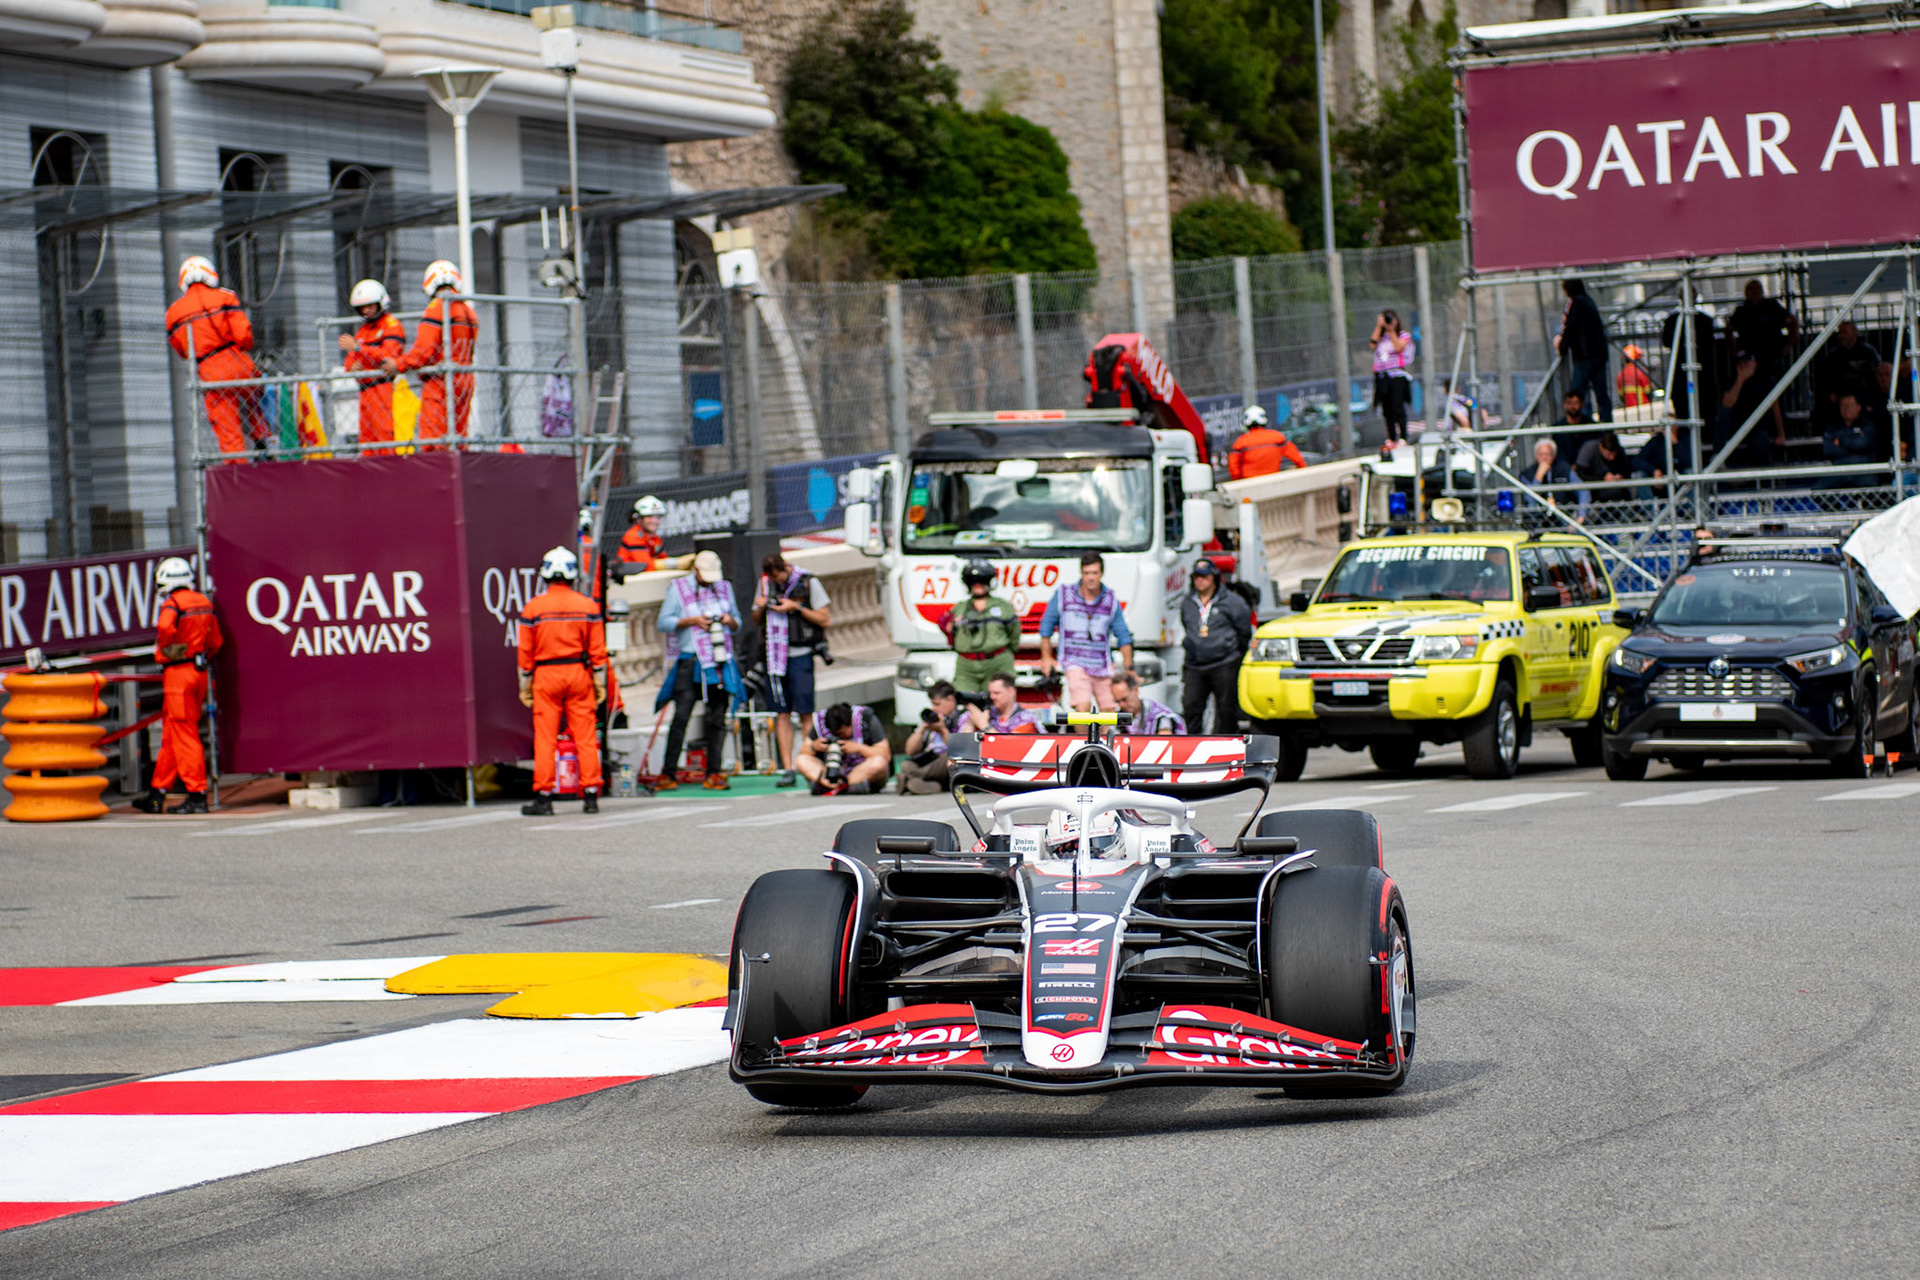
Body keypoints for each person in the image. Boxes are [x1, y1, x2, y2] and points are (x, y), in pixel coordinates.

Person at [517, 546, 607, 817]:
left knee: (545, 738)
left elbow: (525, 652)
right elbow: (598, 651)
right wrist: (599, 681)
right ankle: (591, 794)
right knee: (586, 737)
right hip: (578, 674)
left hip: (546, 676)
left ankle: (543, 797)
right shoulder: (587, 606)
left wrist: (525, 684)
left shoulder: (534, 608)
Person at [131, 557, 222, 815]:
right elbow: (215, 642)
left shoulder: (172, 604)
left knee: (184, 735)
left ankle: (196, 795)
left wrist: (166, 651)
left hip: (178, 675)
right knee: (172, 735)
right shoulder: (204, 602)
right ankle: (157, 793)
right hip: (199, 672)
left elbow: (164, 628)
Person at [653, 549, 742, 792]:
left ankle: (713, 772)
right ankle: (668, 773)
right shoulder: (678, 588)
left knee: (717, 718)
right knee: (681, 716)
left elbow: (737, 622)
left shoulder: (724, 587)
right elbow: (664, 621)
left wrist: (727, 620)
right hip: (690, 661)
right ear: (696, 570)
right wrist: (692, 621)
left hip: (719, 661)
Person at [165, 256, 264, 456]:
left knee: (227, 428)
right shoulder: (225, 297)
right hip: (236, 361)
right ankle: (262, 437)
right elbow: (244, 336)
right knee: (257, 396)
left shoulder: (174, 313)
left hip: (210, 371)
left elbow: (183, 352)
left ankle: (236, 468)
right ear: (210, 274)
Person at [754, 552, 832, 786]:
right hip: (774, 658)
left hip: (801, 655)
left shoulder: (808, 582)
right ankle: (788, 767)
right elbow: (756, 619)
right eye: (774, 580)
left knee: (805, 712)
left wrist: (795, 607)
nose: (778, 583)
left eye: (780, 578)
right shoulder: (765, 584)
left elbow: (824, 619)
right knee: (782, 714)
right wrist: (760, 606)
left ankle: (811, 762)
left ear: (786, 568)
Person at [384, 259, 476, 443]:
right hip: (464, 377)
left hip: (440, 380)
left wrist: (398, 364)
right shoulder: (467, 311)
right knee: (459, 435)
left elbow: (423, 350)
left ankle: (439, 470)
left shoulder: (437, 308)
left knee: (433, 438)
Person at [1038, 552, 1133, 712]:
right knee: (1083, 708)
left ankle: (1106, 737)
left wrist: (1129, 668)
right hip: (1074, 660)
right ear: (1081, 573)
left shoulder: (1109, 599)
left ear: (1101, 574)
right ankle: (1082, 737)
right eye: (1086, 573)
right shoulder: (1063, 594)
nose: (1090, 578)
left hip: (1101, 664)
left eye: (1094, 573)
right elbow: (1046, 626)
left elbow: (1123, 635)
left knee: (1109, 710)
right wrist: (1046, 657)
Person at [1178, 557, 1252, 734]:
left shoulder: (1232, 601)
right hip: (1195, 664)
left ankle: (1226, 746)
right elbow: (1186, 625)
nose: (1200, 580)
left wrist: (1232, 651)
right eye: (1196, 577)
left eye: (1204, 576)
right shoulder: (1187, 602)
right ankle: (1193, 748)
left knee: (1226, 709)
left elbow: (1244, 631)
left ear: (1214, 578)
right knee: (1191, 707)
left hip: (1224, 662)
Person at [337, 279, 406, 450]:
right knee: (367, 444)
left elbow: (388, 358)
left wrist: (360, 348)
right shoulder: (364, 330)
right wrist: (351, 366)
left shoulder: (392, 326)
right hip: (365, 392)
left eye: (370, 306)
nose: (365, 311)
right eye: (362, 307)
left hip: (384, 390)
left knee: (385, 438)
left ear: (380, 303)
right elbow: (351, 359)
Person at [1728, 279, 1797, 445]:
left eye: (1756, 289)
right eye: (1750, 289)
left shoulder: (1772, 306)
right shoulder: (1742, 310)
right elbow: (1728, 329)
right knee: (1747, 398)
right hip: (1749, 363)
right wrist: (1734, 352)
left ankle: (1780, 432)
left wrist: (1788, 344)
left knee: (1776, 397)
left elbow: (1792, 322)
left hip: (1770, 359)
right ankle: (1748, 433)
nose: (1753, 292)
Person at [942, 558, 1020, 693]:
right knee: (965, 702)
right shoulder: (959, 608)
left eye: (982, 582)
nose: (978, 586)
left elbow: (1014, 634)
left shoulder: (1003, 606)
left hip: (997, 662)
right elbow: (950, 633)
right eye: (974, 583)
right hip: (967, 666)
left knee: (998, 703)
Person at [796, 702, 891, 795]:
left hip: (861, 771)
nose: (839, 737)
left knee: (879, 762)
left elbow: (885, 755)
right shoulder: (820, 723)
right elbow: (803, 753)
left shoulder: (865, 718)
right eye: (835, 734)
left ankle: (846, 784)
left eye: (842, 734)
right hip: (830, 770)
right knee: (801, 760)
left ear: (850, 723)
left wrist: (859, 748)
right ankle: (829, 783)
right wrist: (814, 747)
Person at [898, 680, 970, 794]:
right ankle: (932, 785)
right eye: (932, 704)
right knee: (907, 764)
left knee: (948, 759)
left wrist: (942, 730)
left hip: (946, 761)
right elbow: (910, 751)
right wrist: (922, 729)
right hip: (930, 759)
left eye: (937, 704)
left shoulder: (963, 717)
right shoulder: (932, 718)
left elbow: (959, 750)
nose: (934, 708)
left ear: (950, 699)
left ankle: (910, 778)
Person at [1555, 278, 1611, 423]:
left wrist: (1563, 348)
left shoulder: (1576, 303)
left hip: (1584, 356)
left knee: (1578, 393)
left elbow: (1570, 328)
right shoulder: (1588, 301)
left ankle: (1584, 422)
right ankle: (1606, 424)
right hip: (1598, 354)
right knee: (1601, 393)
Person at [1370, 310, 1415, 448]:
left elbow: (1398, 347)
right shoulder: (1381, 337)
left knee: (1397, 407)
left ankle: (1403, 436)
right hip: (1383, 376)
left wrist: (1391, 331)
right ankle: (1391, 437)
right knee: (1387, 409)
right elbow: (1372, 344)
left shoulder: (1403, 336)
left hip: (1397, 376)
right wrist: (1379, 326)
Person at [1818, 321, 1883, 415]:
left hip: (1864, 399)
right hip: (1840, 401)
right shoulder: (1833, 356)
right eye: (1839, 333)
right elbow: (1825, 379)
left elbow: (1876, 377)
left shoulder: (1868, 353)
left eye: (1845, 332)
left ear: (1855, 333)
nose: (1841, 336)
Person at [616, 495, 693, 573]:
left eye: (657, 517)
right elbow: (646, 566)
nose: (654, 521)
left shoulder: (655, 538)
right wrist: (679, 563)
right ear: (639, 519)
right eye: (649, 517)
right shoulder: (633, 536)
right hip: (629, 579)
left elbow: (663, 559)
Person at [1227, 404, 1306, 479]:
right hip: (1272, 481)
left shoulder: (1240, 443)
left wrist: (1240, 483)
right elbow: (1297, 458)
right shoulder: (1277, 438)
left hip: (1249, 484)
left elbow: (1234, 469)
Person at [1822, 392, 1878, 482]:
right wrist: (1853, 449)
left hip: (1863, 472)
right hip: (1839, 471)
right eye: (1843, 405)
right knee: (1818, 490)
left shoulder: (1867, 425)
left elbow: (1863, 443)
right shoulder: (1833, 427)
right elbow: (1828, 449)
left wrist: (1841, 442)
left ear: (1858, 407)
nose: (1846, 409)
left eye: (1850, 405)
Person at [1112, 669, 1184, 735]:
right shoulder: (1117, 717)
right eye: (1118, 701)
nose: (1122, 705)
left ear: (1135, 690)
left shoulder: (1161, 716)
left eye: (1125, 699)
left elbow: (1165, 741)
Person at [968, 671, 1041, 734]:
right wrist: (971, 720)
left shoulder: (1026, 718)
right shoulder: (988, 712)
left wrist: (984, 725)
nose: (992, 697)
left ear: (1011, 691)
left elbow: (1011, 745)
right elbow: (963, 742)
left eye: (996, 693)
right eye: (990, 693)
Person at [1519, 438, 1571, 519]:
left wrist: (1581, 516)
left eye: (1547, 454)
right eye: (1541, 454)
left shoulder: (1564, 469)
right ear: (1536, 456)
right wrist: (1539, 476)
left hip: (1562, 516)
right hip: (1537, 518)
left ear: (1554, 456)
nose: (1544, 458)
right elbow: (1530, 499)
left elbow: (1582, 491)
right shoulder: (1527, 474)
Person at [1616, 343, 1654, 410]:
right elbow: (1649, 393)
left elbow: (1621, 396)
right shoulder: (1642, 372)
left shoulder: (1620, 375)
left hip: (1629, 411)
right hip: (1644, 409)